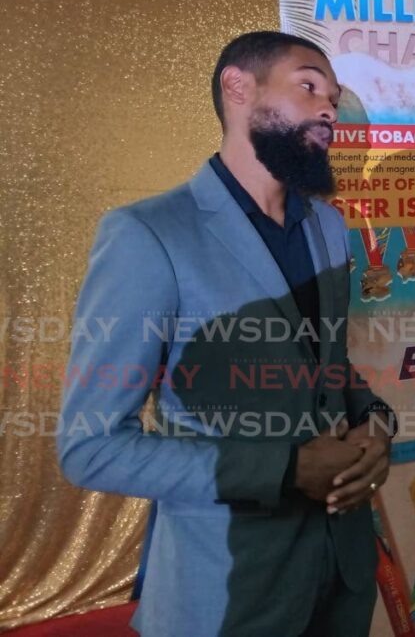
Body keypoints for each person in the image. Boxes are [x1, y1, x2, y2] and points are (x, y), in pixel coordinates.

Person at [59, 31, 394, 636]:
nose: (328, 109)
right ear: (238, 88)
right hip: (225, 594)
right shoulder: (148, 235)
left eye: (333, 98)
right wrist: (286, 469)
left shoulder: (328, 225)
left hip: (340, 578)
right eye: (309, 86)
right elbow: (92, 447)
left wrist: (375, 424)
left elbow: (330, 366)